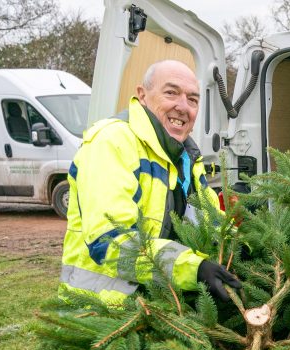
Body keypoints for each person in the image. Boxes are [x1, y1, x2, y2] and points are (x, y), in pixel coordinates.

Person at [59, 60, 240, 306]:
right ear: (142, 95)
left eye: (193, 99)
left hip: (159, 304)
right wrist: (194, 269)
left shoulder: (186, 156)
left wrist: (244, 244)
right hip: (103, 312)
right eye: (171, 93)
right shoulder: (111, 142)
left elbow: (208, 220)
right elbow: (112, 241)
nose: (182, 107)